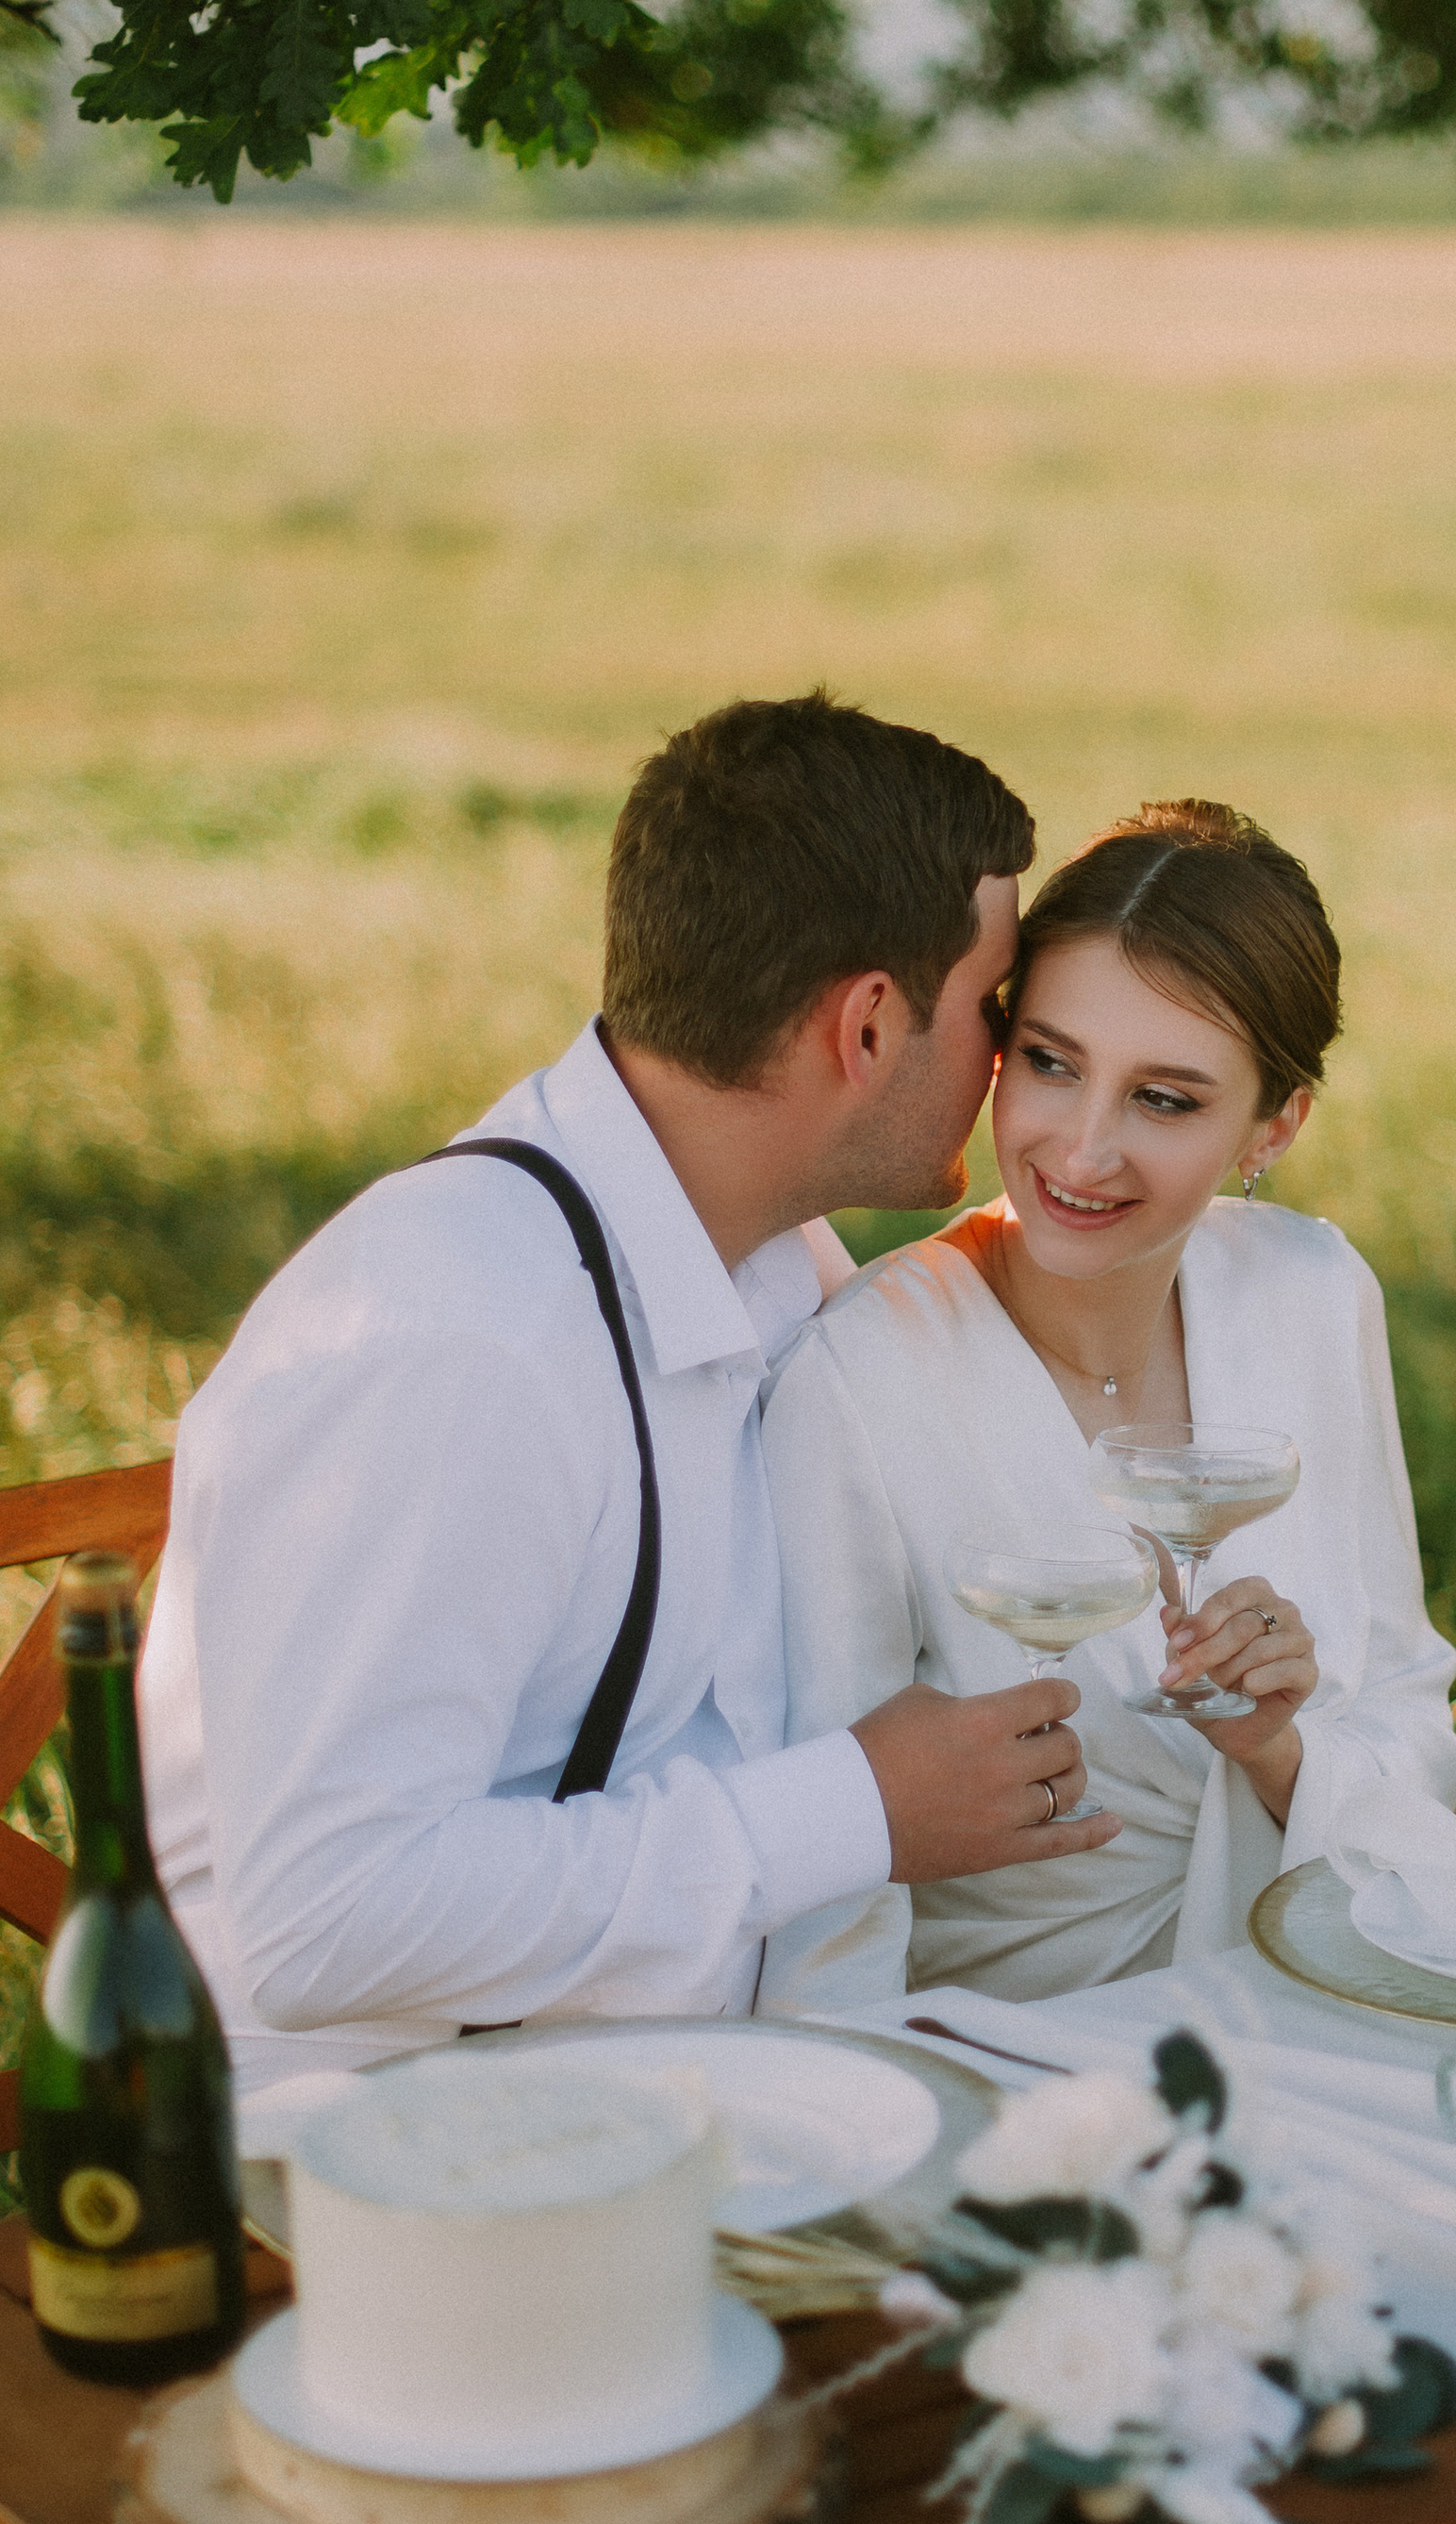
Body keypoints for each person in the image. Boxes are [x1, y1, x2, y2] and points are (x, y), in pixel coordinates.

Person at [139, 692, 1122, 2090]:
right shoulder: (460, 1338)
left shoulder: (771, 1252)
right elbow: (328, 1919)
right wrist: (851, 1810)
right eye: (993, 1009)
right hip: (380, 2150)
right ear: (866, 1025)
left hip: (693, 2076)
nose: (1012, 1057)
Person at [756, 801, 1456, 2010]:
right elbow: (831, 1885)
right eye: (1050, 1062)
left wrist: (1275, 1747)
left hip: (1315, 1994)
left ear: (1274, 1123)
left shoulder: (1311, 1293)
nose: (1082, 1152)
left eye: (1165, 1099)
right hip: (1014, 2054)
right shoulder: (861, 1377)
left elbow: (1409, 1717)